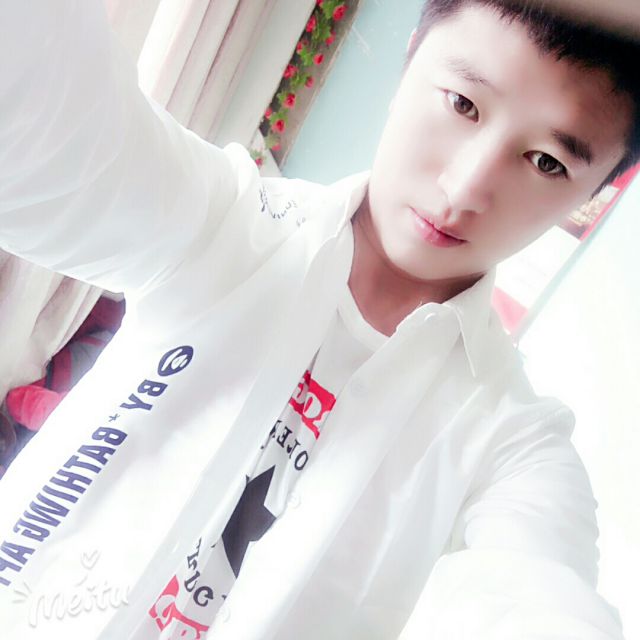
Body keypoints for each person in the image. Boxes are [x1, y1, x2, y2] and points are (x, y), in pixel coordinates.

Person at [0, 0, 637, 638]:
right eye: (463, 104)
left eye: (547, 162)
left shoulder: (515, 445)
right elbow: (42, 118)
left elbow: (535, 595)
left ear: (593, 193)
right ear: (411, 55)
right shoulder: (226, 222)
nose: (465, 187)